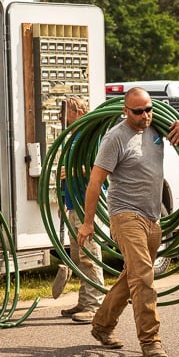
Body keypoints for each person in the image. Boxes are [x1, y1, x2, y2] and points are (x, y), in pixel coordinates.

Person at [77, 87, 179, 357]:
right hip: (124, 214)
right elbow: (95, 181)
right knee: (144, 277)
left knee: (131, 276)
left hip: (153, 216)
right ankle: (150, 340)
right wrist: (87, 223)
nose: (145, 115)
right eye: (138, 111)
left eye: (148, 109)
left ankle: (102, 326)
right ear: (125, 111)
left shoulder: (157, 126)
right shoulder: (115, 138)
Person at [51, 95, 104, 323]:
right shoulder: (71, 138)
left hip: (86, 205)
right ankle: (84, 301)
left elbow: (99, 166)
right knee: (78, 256)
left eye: (66, 112)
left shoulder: (90, 136)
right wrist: (64, 201)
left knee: (89, 255)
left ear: (80, 113)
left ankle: (94, 305)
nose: (61, 116)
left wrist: (74, 171)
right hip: (73, 203)